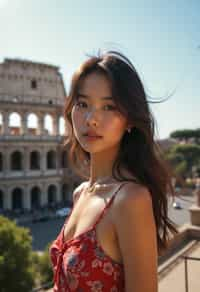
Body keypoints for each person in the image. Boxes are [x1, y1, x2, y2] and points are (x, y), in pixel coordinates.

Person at [49, 50, 178, 292]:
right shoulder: (81, 193)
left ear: (130, 119)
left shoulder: (130, 199)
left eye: (109, 107)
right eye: (82, 104)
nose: (91, 119)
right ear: (70, 110)